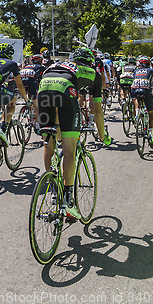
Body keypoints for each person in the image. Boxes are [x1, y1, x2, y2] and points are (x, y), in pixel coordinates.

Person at [37, 48, 111, 220]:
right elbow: (97, 111)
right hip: (64, 92)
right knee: (70, 149)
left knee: (49, 141)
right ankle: (69, 203)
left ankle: (53, 186)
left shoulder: (59, 64)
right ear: (91, 62)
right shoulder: (94, 73)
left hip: (44, 89)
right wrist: (102, 136)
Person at [131, 55, 153, 146]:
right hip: (146, 91)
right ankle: (151, 135)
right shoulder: (152, 71)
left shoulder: (135, 71)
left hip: (134, 89)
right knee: (151, 114)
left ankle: (137, 114)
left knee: (136, 98)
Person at [20, 53, 46, 133]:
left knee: (29, 99)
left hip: (22, 82)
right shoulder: (41, 67)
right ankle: (38, 125)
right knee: (36, 105)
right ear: (40, 61)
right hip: (32, 83)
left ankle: (27, 106)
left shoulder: (27, 66)